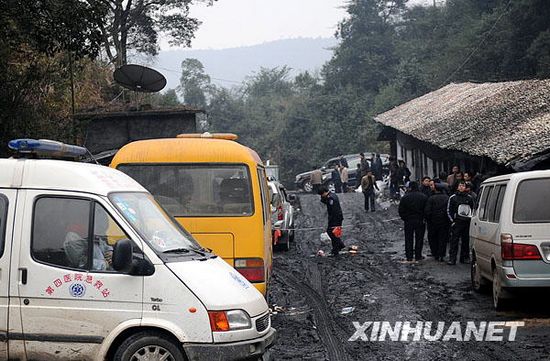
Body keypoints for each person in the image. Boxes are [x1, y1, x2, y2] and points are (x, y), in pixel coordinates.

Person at [398, 181, 428, 263]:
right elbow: (427, 210)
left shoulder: (405, 197)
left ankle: (409, 256)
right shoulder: (423, 197)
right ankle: (418, 255)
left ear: (410, 187)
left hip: (408, 221)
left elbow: (401, 210)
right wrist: (424, 218)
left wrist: (405, 218)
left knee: (408, 239)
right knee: (419, 238)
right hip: (420, 220)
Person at [447, 180, 474, 265]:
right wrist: (452, 221)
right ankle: (452, 259)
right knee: (454, 241)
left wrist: (470, 220)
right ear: (457, 187)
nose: (461, 187)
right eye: (460, 186)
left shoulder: (469, 198)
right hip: (457, 222)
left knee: (465, 241)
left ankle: (465, 258)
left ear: (466, 188)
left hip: (466, 223)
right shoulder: (453, 197)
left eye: (463, 186)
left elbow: (473, 209)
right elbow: (449, 210)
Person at [424, 182, 450, 262]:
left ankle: (435, 253)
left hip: (433, 222)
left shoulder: (431, 198)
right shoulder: (447, 198)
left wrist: (428, 219)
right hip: (444, 222)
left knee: (433, 238)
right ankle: (442, 254)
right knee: (443, 238)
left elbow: (427, 211)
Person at [318, 186, 345, 256]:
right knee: (333, 233)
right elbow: (324, 201)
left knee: (333, 233)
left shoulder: (331, 198)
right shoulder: (332, 195)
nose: (321, 196)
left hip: (335, 218)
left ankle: (336, 249)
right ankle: (339, 246)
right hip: (336, 218)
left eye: (321, 195)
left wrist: (331, 220)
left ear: (324, 192)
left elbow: (334, 210)